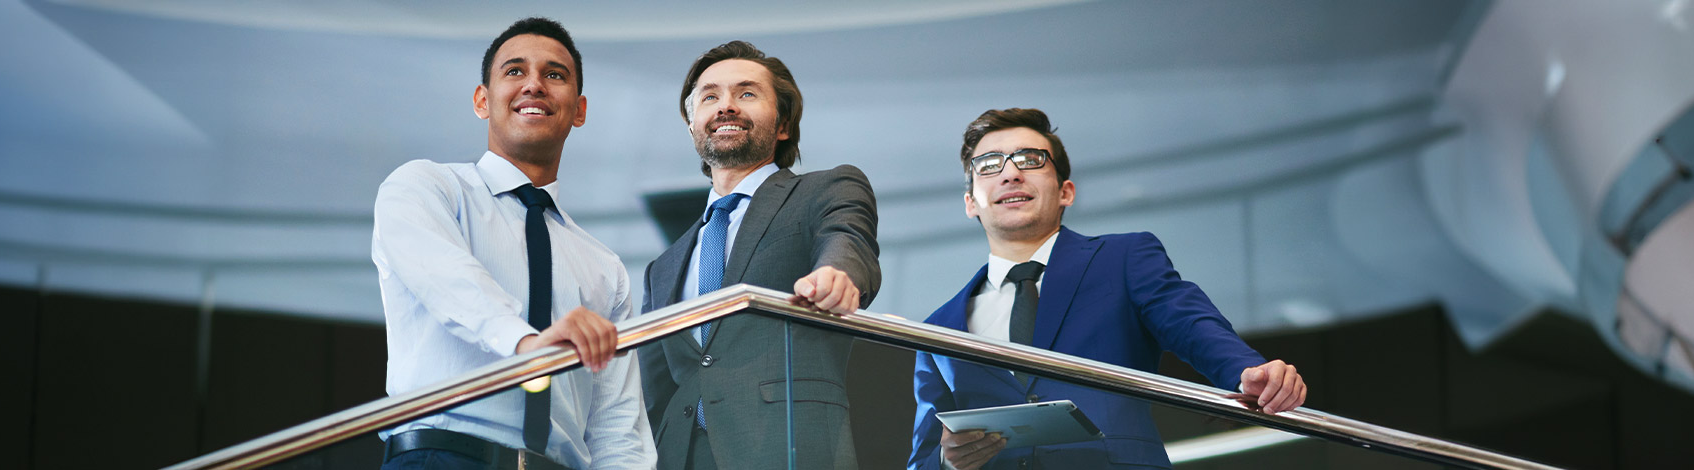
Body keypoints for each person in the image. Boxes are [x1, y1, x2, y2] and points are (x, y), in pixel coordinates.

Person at [909, 108, 1308, 469]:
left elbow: (1191, 323)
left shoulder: (1123, 258)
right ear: (970, 203)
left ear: (1066, 191)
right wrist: (947, 461)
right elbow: (923, 458)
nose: (1011, 173)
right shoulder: (938, 329)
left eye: (1030, 160)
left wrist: (1245, 372)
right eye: (990, 164)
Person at [371, 17, 653, 470]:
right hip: (443, 457)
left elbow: (616, 423)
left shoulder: (604, 266)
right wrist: (526, 344)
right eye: (515, 71)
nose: (535, 85)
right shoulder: (425, 186)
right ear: (483, 100)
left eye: (554, 75)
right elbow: (447, 280)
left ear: (579, 111)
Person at [640, 40, 880, 470]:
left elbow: (847, 239)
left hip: (788, 448)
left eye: (746, 94)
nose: (726, 106)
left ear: (783, 124)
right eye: (710, 97)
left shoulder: (825, 190)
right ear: (692, 125)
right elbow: (652, 393)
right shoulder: (663, 267)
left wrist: (837, 275)